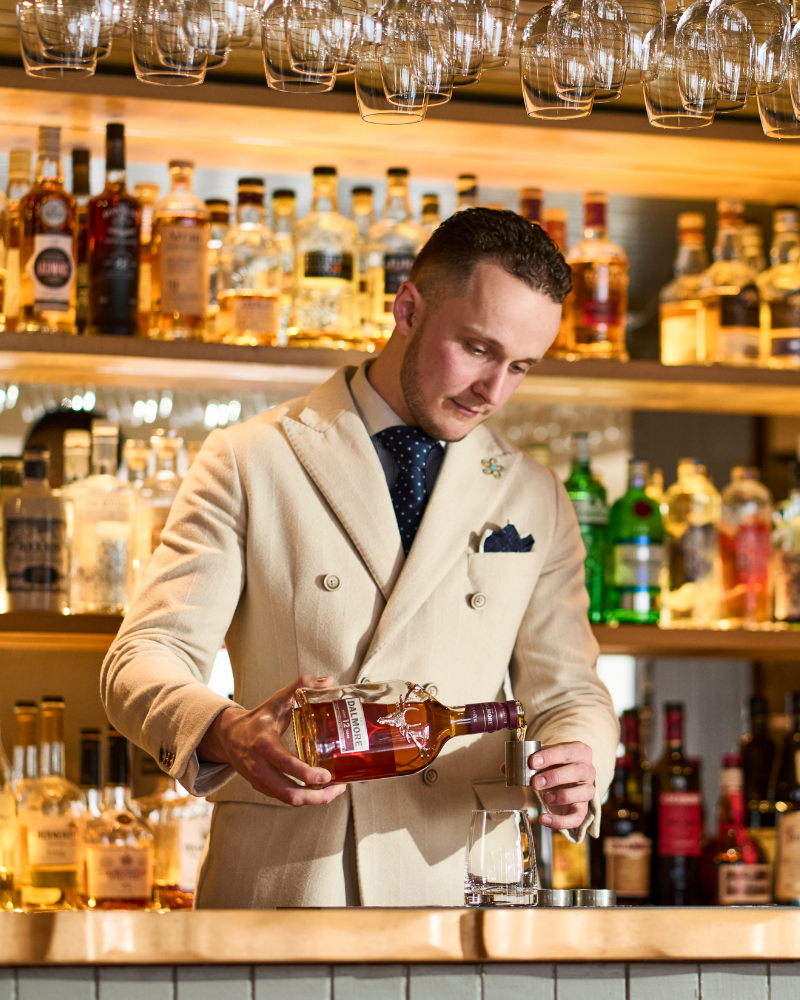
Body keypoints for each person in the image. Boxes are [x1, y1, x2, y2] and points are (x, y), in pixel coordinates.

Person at [101, 207, 619, 908]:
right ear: (406, 307)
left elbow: (569, 690)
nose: (492, 392)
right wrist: (226, 733)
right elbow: (143, 656)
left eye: (520, 366)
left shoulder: (535, 494)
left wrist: (580, 756)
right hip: (293, 883)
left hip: (469, 891)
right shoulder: (252, 458)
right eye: (476, 349)